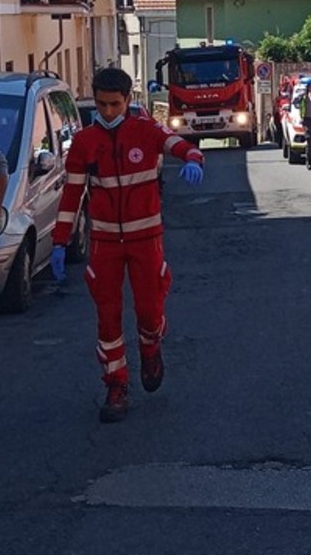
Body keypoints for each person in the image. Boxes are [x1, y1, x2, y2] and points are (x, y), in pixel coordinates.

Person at [50, 67, 204, 424]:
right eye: (101, 105)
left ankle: (151, 347)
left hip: (145, 240)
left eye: (114, 104)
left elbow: (179, 145)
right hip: (104, 243)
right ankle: (115, 386)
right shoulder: (85, 143)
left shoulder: (145, 131)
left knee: (149, 311)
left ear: (128, 101)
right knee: (108, 319)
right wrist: (60, 242)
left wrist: (195, 159)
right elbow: (72, 195)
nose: (107, 112)